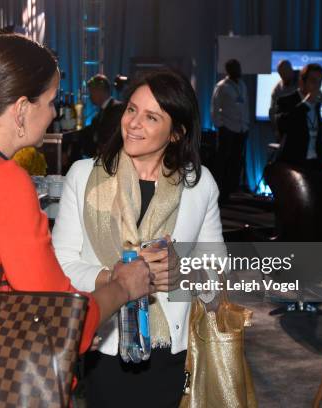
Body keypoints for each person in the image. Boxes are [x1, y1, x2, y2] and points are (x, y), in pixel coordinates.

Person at [0, 34, 153, 358]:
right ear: (22, 108)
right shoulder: (4, 180)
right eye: (50, 101)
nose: (53, 113)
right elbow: (59, 319)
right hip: (6, 374)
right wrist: (122, 287)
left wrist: (86, 316)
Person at [52, 68, 225, 407]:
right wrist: (116, 278)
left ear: (176, 133)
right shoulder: (84, 175)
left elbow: (217, 274)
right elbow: (62, 265)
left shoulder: (199, 184)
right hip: (104, 342)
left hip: (171, 349)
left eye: (150, 117)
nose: (133, 123)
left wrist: (181, 274)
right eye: (131, 109)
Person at [211, 59, 250, 202]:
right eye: (235, 68)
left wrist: (246, 125)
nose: (238, 70)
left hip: (241, 128)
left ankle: (231, 191)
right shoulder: (222, 86)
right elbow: (215, 107)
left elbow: (245, 105)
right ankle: (219, 193)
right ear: (228, 70)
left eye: (238, 67)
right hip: (228, 128)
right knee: (223, 162)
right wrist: (220, 125)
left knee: (236, 161)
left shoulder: (242, 85)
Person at [275, 63, 322, 171]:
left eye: (320, 81)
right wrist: (306, 103)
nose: (317, 86)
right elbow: (283, 125)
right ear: (302, 81)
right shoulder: (286, 100)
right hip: (294, 165)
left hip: (315, 164)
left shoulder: (317, 103)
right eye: (313, 81)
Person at [70, 74, 125, 161]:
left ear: (99, 91)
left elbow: (109, 137)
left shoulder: (117, 109)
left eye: (91, 92)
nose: (90, 97)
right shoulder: (99, 115)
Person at [268, 60, 299, 141]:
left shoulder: (303, 80)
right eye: (281, 74)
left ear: (291, 70)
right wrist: (276, 130)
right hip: (286, 130)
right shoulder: (277, 89)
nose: (283, 77)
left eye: (285, 73)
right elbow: (272, 111)